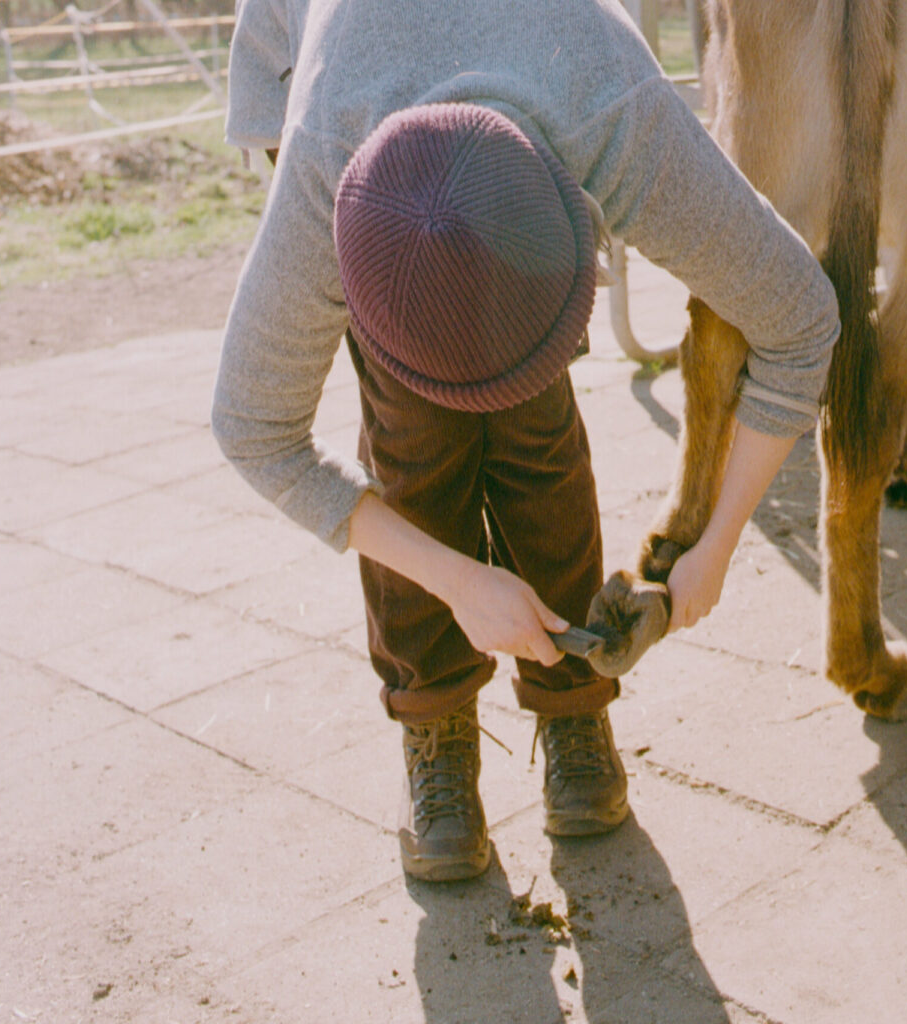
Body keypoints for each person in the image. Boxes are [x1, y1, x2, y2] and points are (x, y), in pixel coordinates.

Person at [212, 0, 839, 883]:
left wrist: (717, 542)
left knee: (533, 423)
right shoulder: (325, 158)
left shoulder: (608, 103)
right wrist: (454, 579)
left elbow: (802, 320)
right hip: (330, 75)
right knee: (412, 434)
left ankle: (572, 701)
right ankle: (435, 723)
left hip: (533, 75)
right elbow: (252, 430)